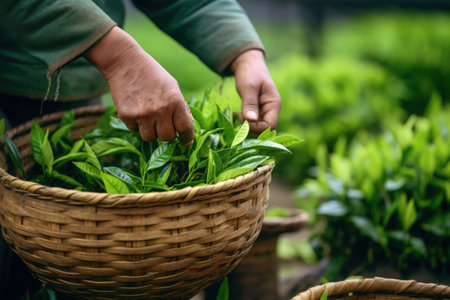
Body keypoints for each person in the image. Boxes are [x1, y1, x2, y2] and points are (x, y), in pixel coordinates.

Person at [0, 0, 281, 298]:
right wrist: (119, 57)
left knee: (82, 251)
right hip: (38, 60)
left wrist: (244, 53)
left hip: (72, 70)